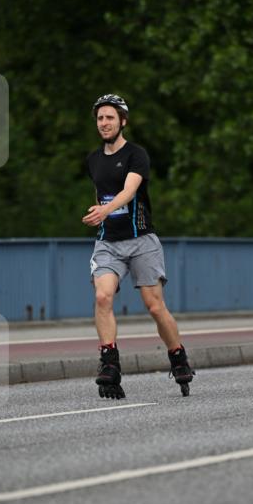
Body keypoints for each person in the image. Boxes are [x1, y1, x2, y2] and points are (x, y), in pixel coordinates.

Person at [82, 93, 194, 398]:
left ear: (122, 121)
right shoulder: (93, 159)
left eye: (110, 118)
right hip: (108, 242)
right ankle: (110, 364)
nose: (104, 123)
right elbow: (100, 194)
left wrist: (105, 210)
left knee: (154, 306)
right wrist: (102, 213)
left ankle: (177, 356)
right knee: (103, 297)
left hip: (142, 240)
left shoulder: (136, 155)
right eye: (100, 118)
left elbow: (129, 191)